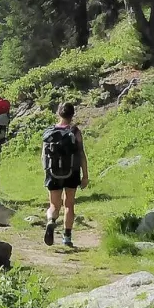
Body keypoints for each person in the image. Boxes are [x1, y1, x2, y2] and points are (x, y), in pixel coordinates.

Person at [42, 102, 89, 248]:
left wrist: (47, 171)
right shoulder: (75, 131)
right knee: (69, 205)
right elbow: (81, 154)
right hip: (72, 172)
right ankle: (67, 237)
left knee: (54, 205)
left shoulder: (50, 131)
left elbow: (43, 156)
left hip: (53, 173)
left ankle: (51, 221)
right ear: (72, 114)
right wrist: (85, 175)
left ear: (58, 113)